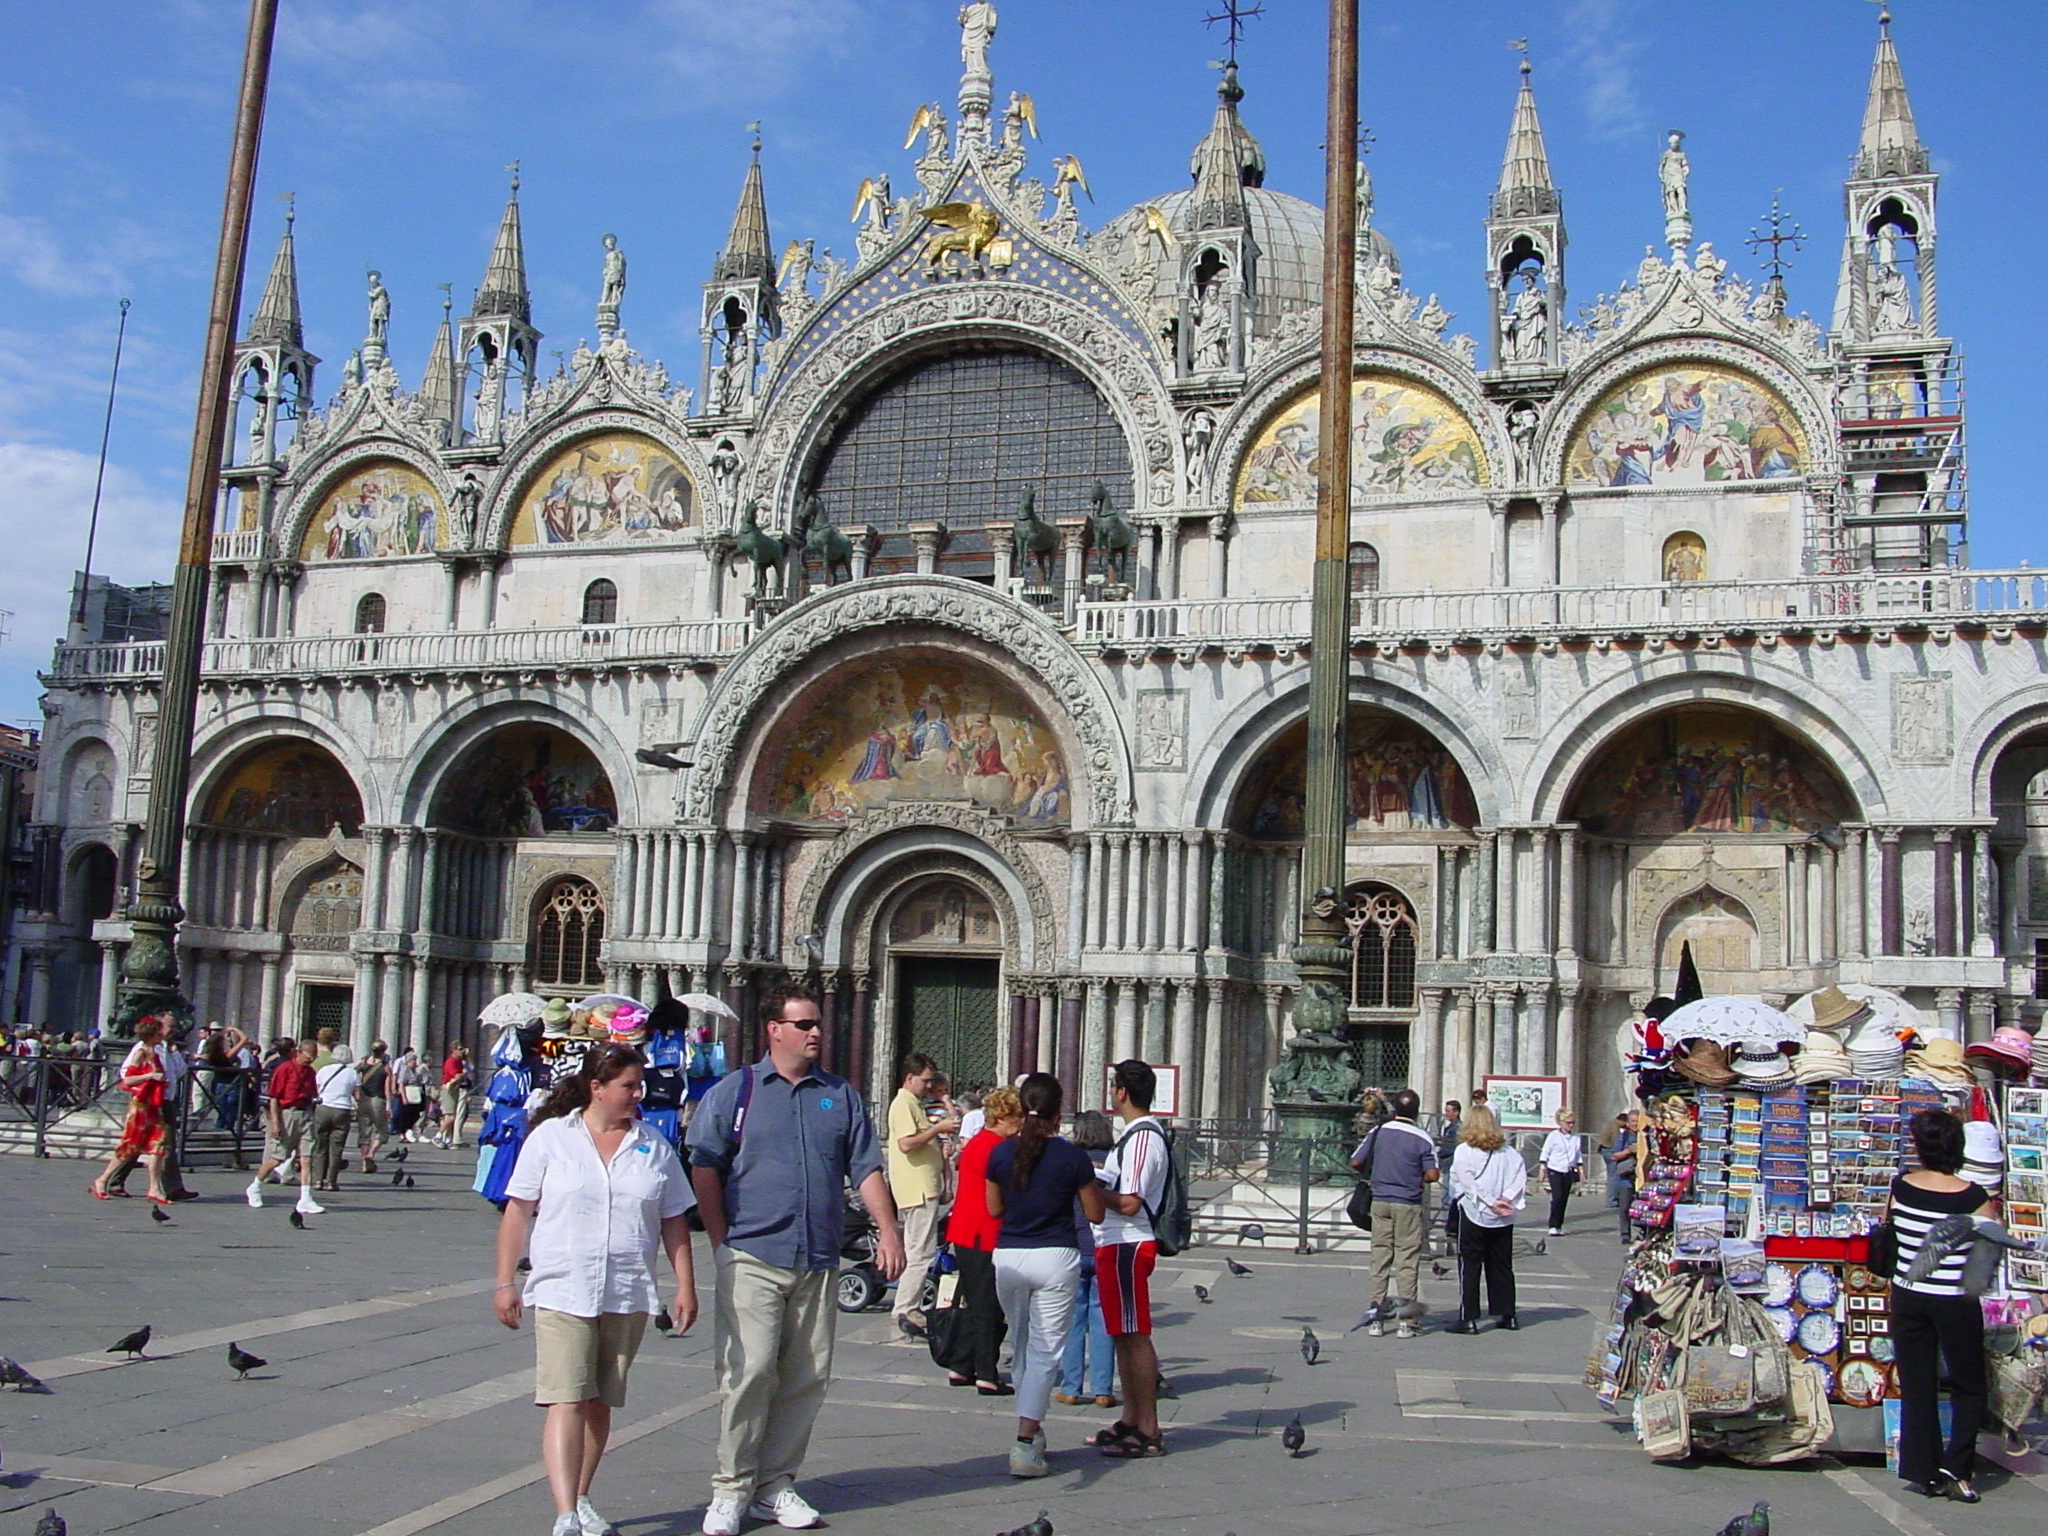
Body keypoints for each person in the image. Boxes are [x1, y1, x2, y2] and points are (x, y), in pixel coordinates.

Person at [686, 983, 902, 1536]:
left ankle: (775, 1485)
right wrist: (720, 1241)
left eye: (817, 1024)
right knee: (751, 1370)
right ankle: (731, 1487)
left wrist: (888, 1228)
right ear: (773, 1030)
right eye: (803, 1024)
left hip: (819, 1255)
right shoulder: (737, 1093)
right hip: (754, 1252)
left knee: (807, 1376)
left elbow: (866, 1167)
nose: (815, 1033)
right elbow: (705, 1164)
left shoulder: (840, 1094)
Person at [496, 1041, 699, 1536]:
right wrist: (505, 1282)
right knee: (565, 1396)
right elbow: (518, 1209)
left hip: (626, 1288)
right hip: (563, 1284)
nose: (638, 1094)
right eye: (628, 1086)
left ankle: (582, 1495)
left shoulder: (653, 1145)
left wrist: (686, 1285)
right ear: (597, 1088)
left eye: (639, 1085)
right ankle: (565, 1512)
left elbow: (674, 1220)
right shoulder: (551, 1138)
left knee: (600, 1400)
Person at [985, 1073, 1106, 1479]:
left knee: (1020, 1344)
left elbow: (994, 1209)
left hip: (1009, 1257)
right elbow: (1094, 1214)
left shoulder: (1001, 1154)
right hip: (1055, 1256)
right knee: (1043, 1352)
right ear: (1059, 1112)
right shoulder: (1072, 1157)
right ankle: (1024, 1439)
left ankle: (1032, 1431)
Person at [1888, 1107, 1989, 1503]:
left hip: (1909, 1295)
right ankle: (1957, 1468)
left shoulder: (1901, 1187)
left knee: (1918, 1384)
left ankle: (1924, 1469)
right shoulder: (1974, 1198)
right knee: (1968, 1385)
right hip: (1954, 1300)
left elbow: (1891, 1235)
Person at [1090, 1059, 1169, 1459]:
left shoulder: (1141, 1139)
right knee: (1122, 1333)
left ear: (1121, 1091)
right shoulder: (1134, 1137)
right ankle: (1132, 1418)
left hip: (1128, 1243)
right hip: (1116, 1243)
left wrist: (1083, 1186)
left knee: (1135, 1334)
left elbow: (1130, 1201)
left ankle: (1150, 1429)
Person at [943, 1085, 1018, 1393]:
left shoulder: (979, 1143)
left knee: (975, 1302)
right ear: (1004, 1117)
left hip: (967, 1230)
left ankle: (962, 1366)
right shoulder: (995, 1147)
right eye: (1019, 1117)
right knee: (988, 1305)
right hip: (982, 1233)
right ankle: (986, 1372)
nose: (1022, 1123)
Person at [1351, 1087, 1440, 1337]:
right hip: (1408, 1203)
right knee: (1407, 1261)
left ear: (1396, 1109)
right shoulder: (1422, 1138)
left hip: (1380, 1201)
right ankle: (1406, 1322)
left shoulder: (1378, 1132)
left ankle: (1376, 1317)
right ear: (1417, 1111)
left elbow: (1356, 1161)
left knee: (1380, 1259)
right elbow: (1433, 1174)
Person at [885, 1052, 960, 1339]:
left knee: (921, 1248)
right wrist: (938, 1129)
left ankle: (907, 1304)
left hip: (924, 1184)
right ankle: (906, 1307)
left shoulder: (913, 1103)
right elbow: (906, 1144)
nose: (929, 1086)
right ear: (910, 1077)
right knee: (921, 1251)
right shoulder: (903, 1103)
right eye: (926, 1081)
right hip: (915, 1186)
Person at [1055, 1108, 1118, 1406]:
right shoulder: (1116, 1160)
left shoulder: (1069, 1160)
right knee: (1103, 1319)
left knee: (1073, 1319)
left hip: (1074, 1244)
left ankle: (1071, 1386)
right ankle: (1103, 1389)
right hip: (1104, 1244)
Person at [1447, 1106, 1525, 1333]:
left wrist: (1492, 1201)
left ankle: (1468, 1318)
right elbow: (1520, 1177)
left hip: (1475, 1212)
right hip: (1503, 1216)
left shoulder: (1464, 1150)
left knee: (1470, 1264)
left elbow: (1468, 1181)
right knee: (1501, 1264)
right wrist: (1506, 1199)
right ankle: (1507, 1314)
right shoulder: (1509, 1152)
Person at [91, 1016, 173, 1204]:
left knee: (158, 1144)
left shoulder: (156, 1052)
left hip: (153, 1105)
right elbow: (127, 1080)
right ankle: (102, 1179)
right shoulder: (141, 1052)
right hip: (140, 1106)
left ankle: (154, 1187)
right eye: (159, 1031)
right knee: (131, 1145)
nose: (163, 1034)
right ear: (152, 1034)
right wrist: (151, 1075)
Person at [248, 1038, 324, 1215]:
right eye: (309, 1056)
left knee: (307, 1157)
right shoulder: (284, 1069)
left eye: (314, 1056)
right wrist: (275, 1123)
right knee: (278, 1157)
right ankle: (255, 1186)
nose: (311, 1059)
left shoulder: (310, 1072)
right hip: (287, 1113)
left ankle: (306, 1198)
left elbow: (313, 1093)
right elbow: (273, 1097)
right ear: (299, 1052)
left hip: (305, 1113)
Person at [310, 1049, 360, 1193]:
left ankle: (318, 1180)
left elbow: (318, 1090)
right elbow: (357, 1095)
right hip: (342, 1110)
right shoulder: (352, 1073)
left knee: (320, 1145)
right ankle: (331, 1181)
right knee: (336, 1148)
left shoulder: (324, 1070)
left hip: (323, 1108)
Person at [1538, 1109, 1583, 1236]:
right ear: (1561, 1122)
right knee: (1557, 1197)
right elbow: (1545, 1152)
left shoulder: (1576, 1138)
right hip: (1555, 1169)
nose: (1571, 1125)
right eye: (1568, 1122)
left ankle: (1559, 1225)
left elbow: (1578, 1154)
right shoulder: (1553, 1136)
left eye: (1573, 1123)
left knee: (1564, 1198)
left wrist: (1581, 1170)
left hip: (1568, 1170)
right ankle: (1552, 1225)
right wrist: (1542, 1169)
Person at [1603, 1109, 1641, 1240]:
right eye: (1632, 1121)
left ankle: (1643, 1234)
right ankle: (1625, 1234)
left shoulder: (1646, 1135)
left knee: (1643, 1208)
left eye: (1637, 1121)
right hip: (1626, 1177)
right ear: (1627, 1123)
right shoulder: (1623, 1136)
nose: (1635, 1124)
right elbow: (1614, 1155)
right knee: (1625, 1208)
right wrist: (1629, 1150)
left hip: (1642, 1177)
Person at [356, 1043, 391, 1173]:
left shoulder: (363, 1063)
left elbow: (353, 1075)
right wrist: (389, 1105)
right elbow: (388, 1088)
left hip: (364, 1100)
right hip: (378, 1100)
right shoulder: (386, 1067)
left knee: (364, 1131)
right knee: (382, 1131)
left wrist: (358, 1091)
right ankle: (370, 1154)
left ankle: (364, 1163)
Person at [389, 1048, 430, 1143]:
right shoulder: (405, 1070)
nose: (415, 1062)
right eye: (413, 1060)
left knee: (415, 1114)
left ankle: (411, 1130)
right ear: (408, 1062)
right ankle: (403, 1133)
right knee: (405, 1114)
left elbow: (421, 1081)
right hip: (407, 1093)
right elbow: (401, 1084)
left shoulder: (416, 1070)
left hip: (416, 1093)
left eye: (415, 1060)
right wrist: (403, 1097)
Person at [442, 1044, 475, 1147]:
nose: (463, 1051)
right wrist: (463, 1073)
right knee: (452, 1115)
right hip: (455, 1088)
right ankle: (443, 1137)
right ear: (453, 1050)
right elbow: (456, 1075)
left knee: (459, 1114)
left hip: (461, 1088)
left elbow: (472, 1068)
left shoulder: (461, 1061)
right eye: (460, 1049)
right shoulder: (452, 1061)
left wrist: (467, 1057)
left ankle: (454, 1138)